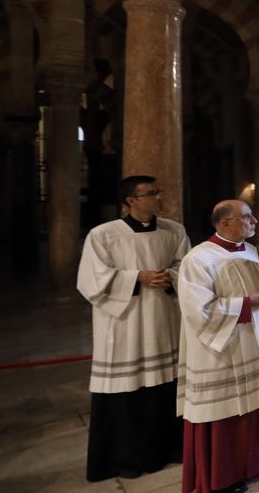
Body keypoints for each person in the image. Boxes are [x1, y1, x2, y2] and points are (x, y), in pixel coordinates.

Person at [77, 176, 189, 482]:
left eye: (158, 191)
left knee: (165, 388)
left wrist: (171, 275)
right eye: (151, 193)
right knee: (127, 393)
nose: (158, 197)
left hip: (164, 319)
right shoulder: (103, 235)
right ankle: (125, 458)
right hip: (125, 324)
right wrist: (136, 277)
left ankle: (169, 448)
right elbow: (90, 279)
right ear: (130, 201)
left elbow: (186, 266)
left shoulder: (174, 230)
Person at [178, 200, 259, 493]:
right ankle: (224, 474)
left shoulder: (253, 252)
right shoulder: (198, 259)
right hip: (223, 347)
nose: (254, 221)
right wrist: (247, 303)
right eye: (247, 217)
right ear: (225, 223)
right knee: (226, 407)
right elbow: (197, 308)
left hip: (256, 339)